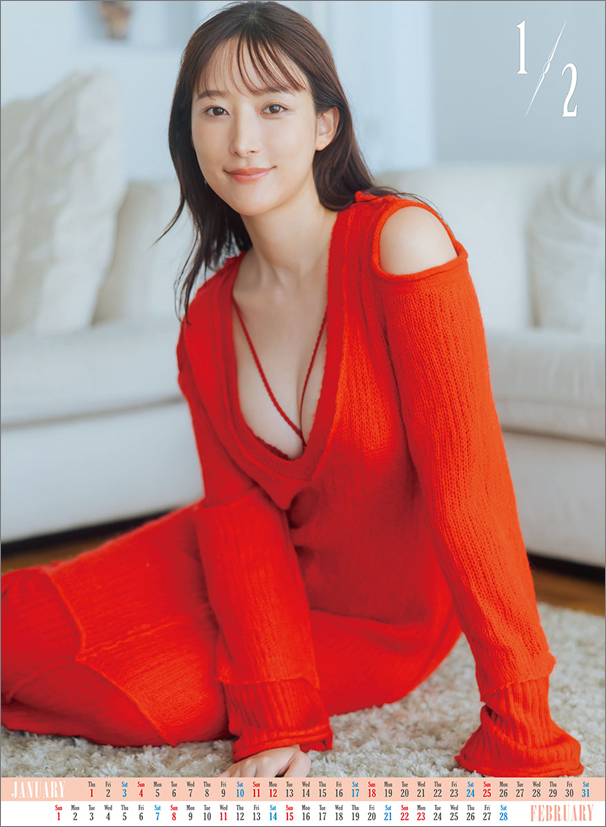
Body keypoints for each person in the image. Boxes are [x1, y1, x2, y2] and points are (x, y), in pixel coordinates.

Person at [1, 1, 584, 780]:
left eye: (273, 107)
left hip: (378, 619)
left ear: (324, 125)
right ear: (189, 133)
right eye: (215, 110)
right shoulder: (208, 319)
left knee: (132, 696)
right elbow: (241, 525)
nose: (242, 139)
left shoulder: (402, 244)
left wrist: (522, 713)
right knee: (25, 624)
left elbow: (468, 488)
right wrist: (275, 714)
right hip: (232, 562)